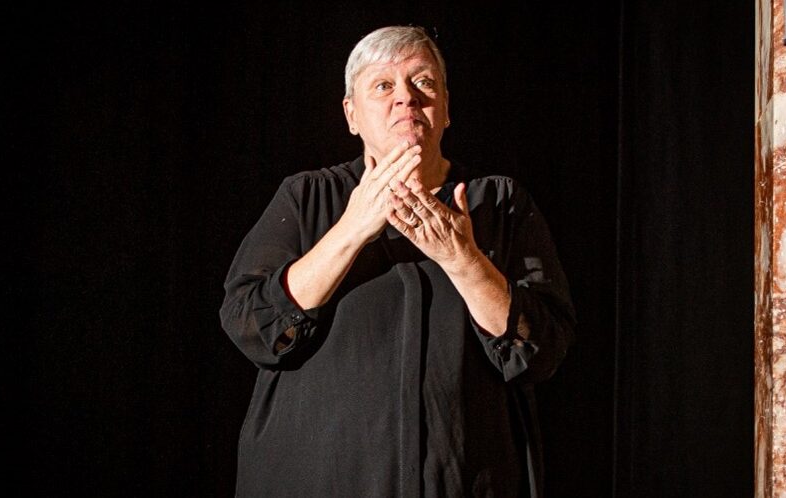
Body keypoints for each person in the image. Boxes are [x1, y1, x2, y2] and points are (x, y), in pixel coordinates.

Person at [219, 25, 575, 498]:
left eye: (423, 83)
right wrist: (351, 228)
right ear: (352, 115)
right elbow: (249, 323)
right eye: (383, 86)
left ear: (446, 107)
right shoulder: (307, 197)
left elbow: (544, 348)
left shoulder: (499, 202)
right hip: (317, 479)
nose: (405, 99)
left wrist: (464, 260)